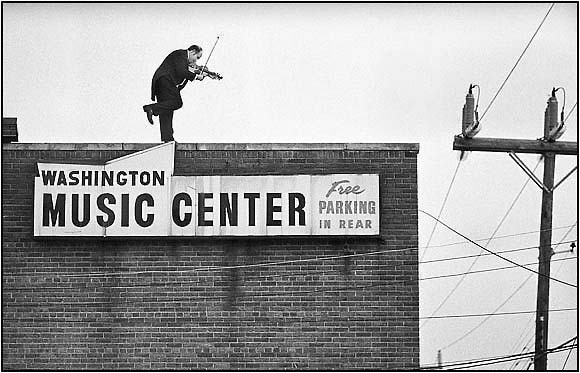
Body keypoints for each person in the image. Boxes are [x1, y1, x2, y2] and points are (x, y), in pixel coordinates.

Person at [143, 44, 220, 142]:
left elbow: (180, 83)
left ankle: (167, 138)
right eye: (197, 57)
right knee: (177, 102)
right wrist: (195, 76)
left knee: (167, 110)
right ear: (192, 52)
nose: (195, 61)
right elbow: (181, 71)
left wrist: (203, 74)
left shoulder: (183, 62)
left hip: (162, 83)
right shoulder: (181, 54)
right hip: (165, 79)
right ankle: (151, 108)